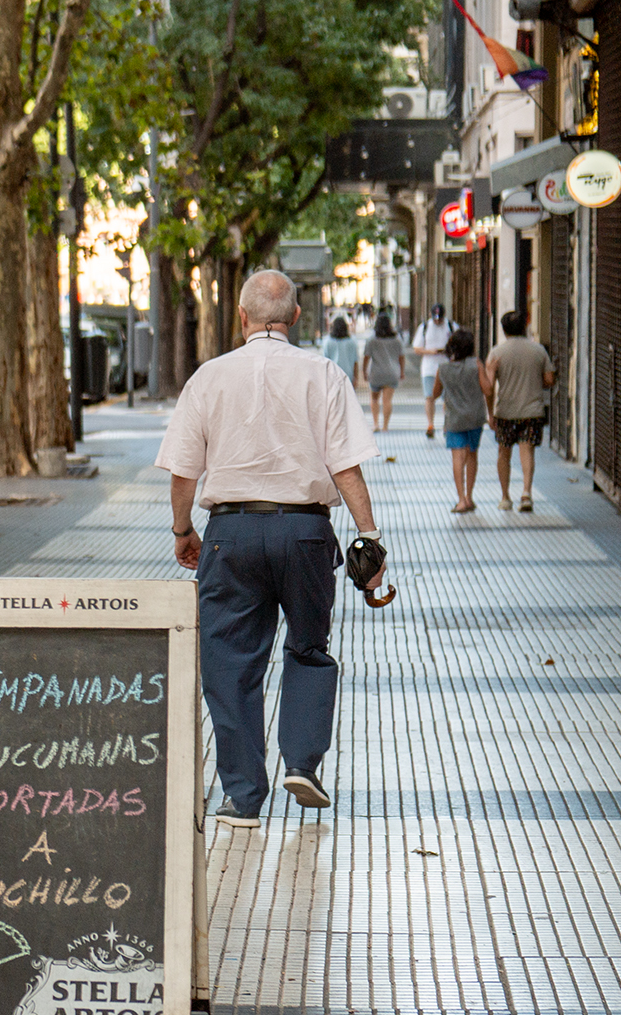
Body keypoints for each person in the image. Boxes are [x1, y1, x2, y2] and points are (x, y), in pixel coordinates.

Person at [156, 269, 385, 827]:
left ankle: (243, 796)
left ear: (241, 316)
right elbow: (344, 465)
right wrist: (369, 537)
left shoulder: (209, 378)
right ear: (297, 318)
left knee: (230, 661)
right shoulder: (325, 375)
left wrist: (184, 530)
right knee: (308, 647)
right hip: (305, 532)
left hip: (230, 535)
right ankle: (302, 762)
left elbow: (184, 469)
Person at [484, 309, 557, 513]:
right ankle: (526, 493)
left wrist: (490, 413)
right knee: (527, 451)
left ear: (504, 329)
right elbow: (550, 380)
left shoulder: (497, 353)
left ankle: (505, 497)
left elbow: (489, 389)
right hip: (532, 410)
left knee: (503, 453)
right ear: (524, 327)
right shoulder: (538, 350)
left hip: (505, 411)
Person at [431, 328, 489, 514]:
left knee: (458, 457)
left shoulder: (443, 369)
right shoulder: (476, 365)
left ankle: (461, 499)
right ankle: (470, 497)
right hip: (474, 418)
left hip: (454, 419)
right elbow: (487, 389)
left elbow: (434, 393)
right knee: (472, 455)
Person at [411, 303, 456, 438]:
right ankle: (430, 424)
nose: (438, 321)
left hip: (447, 366)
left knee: (447, 398)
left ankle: (446, 425)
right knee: (429, 397)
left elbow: (459, 344)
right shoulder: (424, 327)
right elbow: (417, 348)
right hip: (429, 368)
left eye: (440, 318)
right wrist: (430, 351)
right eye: (435, 318)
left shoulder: (451, 326)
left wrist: (448, 351)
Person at [359, 311, 403, 433]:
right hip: (392, 372)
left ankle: (376, 424)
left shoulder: (372, 340)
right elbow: (401, 356)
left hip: (376, 373)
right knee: (387, 400)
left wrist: (364, 372)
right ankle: (385, 426)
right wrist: (402, 371)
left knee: (374, 399)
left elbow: (366, 357)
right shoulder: (396, 339)